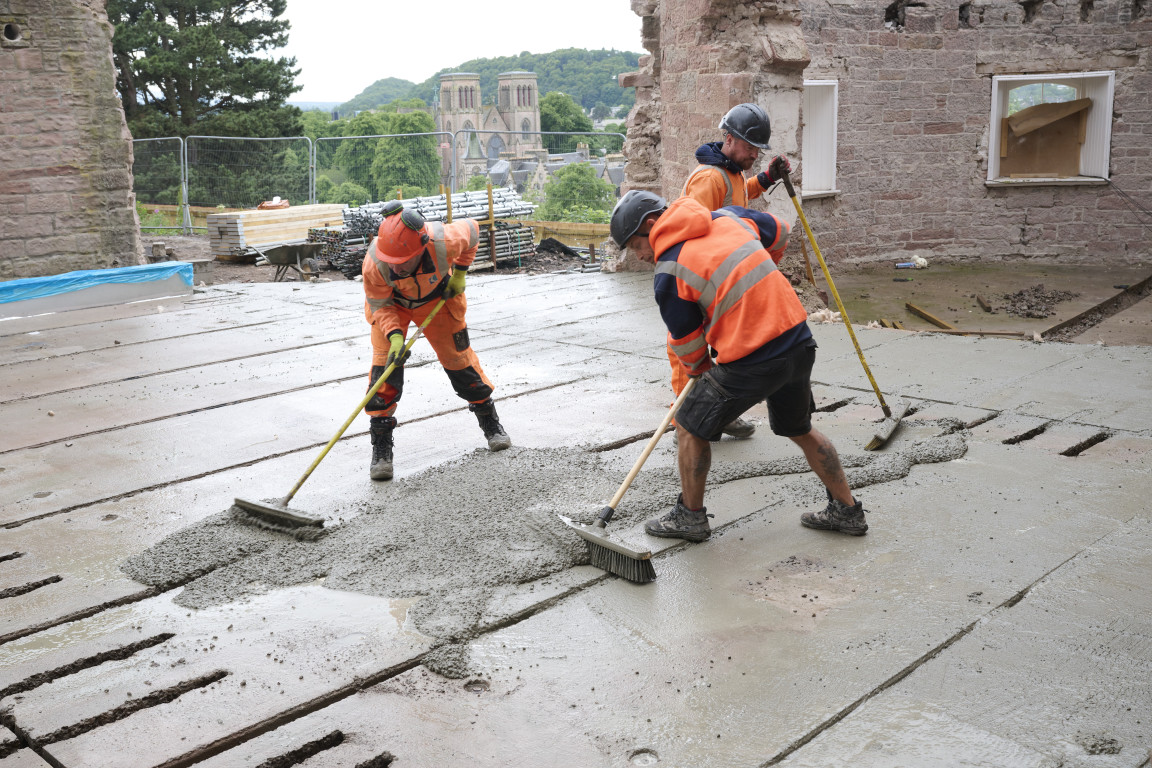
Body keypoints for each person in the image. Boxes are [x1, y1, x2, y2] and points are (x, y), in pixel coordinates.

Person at [609, 189, 869, 541]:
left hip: (755, 359)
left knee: (688, 426)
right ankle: (847, 511)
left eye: (634, 245)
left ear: (652, 225)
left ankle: (690, 518)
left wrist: (704, 369)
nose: (637, 256)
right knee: (799, 428)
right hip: (799, 340)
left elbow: (689, 348)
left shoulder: (669, 271)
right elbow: (779, 231)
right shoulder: (726, 217)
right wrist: (762, 274)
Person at [361, 201, 511, 480]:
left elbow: (474, 231)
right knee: (385, 370)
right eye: (393, 262)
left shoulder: (444, 239)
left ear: (422, 246)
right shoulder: (374, 263)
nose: (398, 267)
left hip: (439, 299)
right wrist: (395, 337)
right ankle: (381, 448)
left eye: (403, 263)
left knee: (459, 361)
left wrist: (462, 274)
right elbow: (380, 304)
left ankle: (491, 424)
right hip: (393, 306)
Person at [670, 103, 793, 440]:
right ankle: (686, 419)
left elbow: (737, 198)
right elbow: (693, 229)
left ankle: (719, 412)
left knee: (722, 348)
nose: (754, 154)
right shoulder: (709, 178)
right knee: (688, 348)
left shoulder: (732, 171)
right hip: (700, 277)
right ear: (729, 139)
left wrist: (765, 179)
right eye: (749, 147)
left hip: (719, 275)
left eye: (758, 149)